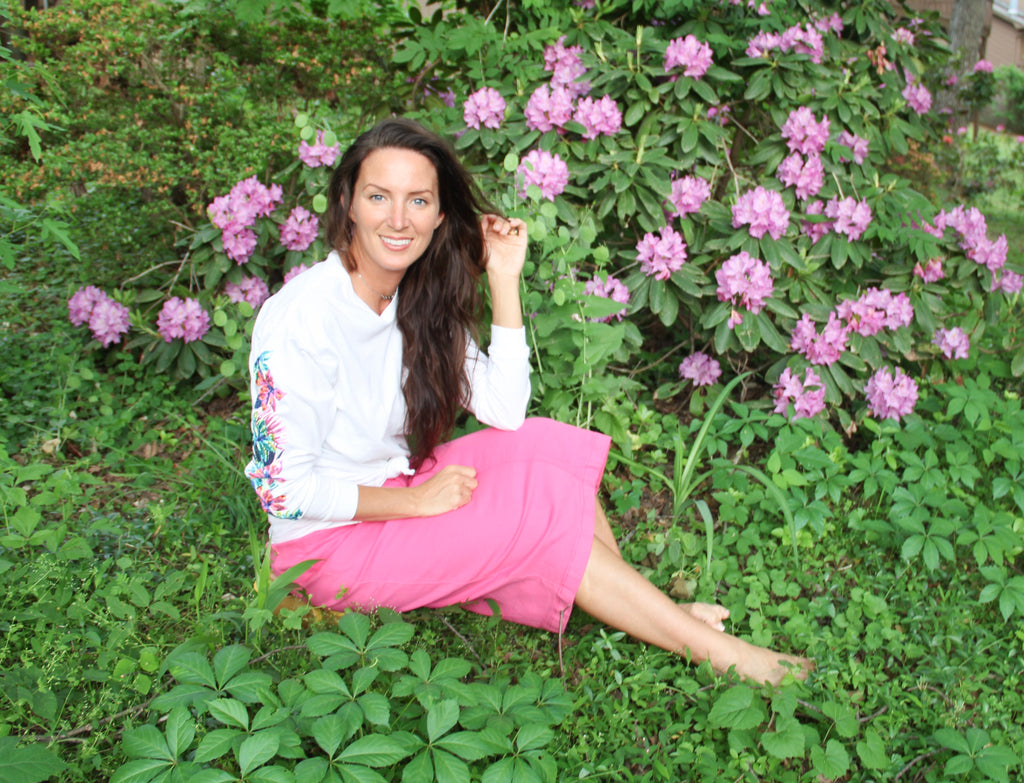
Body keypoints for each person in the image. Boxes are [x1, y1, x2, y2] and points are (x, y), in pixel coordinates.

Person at [245, 117, 811, 686]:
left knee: (544, 445)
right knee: (536, 514)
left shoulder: (412, 297)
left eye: (417, 200)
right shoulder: (302, 319)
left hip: (395, 486)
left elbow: (505, 409)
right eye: (378, 197)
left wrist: (504, 277)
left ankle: (648, 608)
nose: (398, 220)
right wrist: (418, 506)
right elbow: (282, 489)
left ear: (440, 215)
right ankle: (721, 654)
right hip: (325, 547)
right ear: (347, 204)